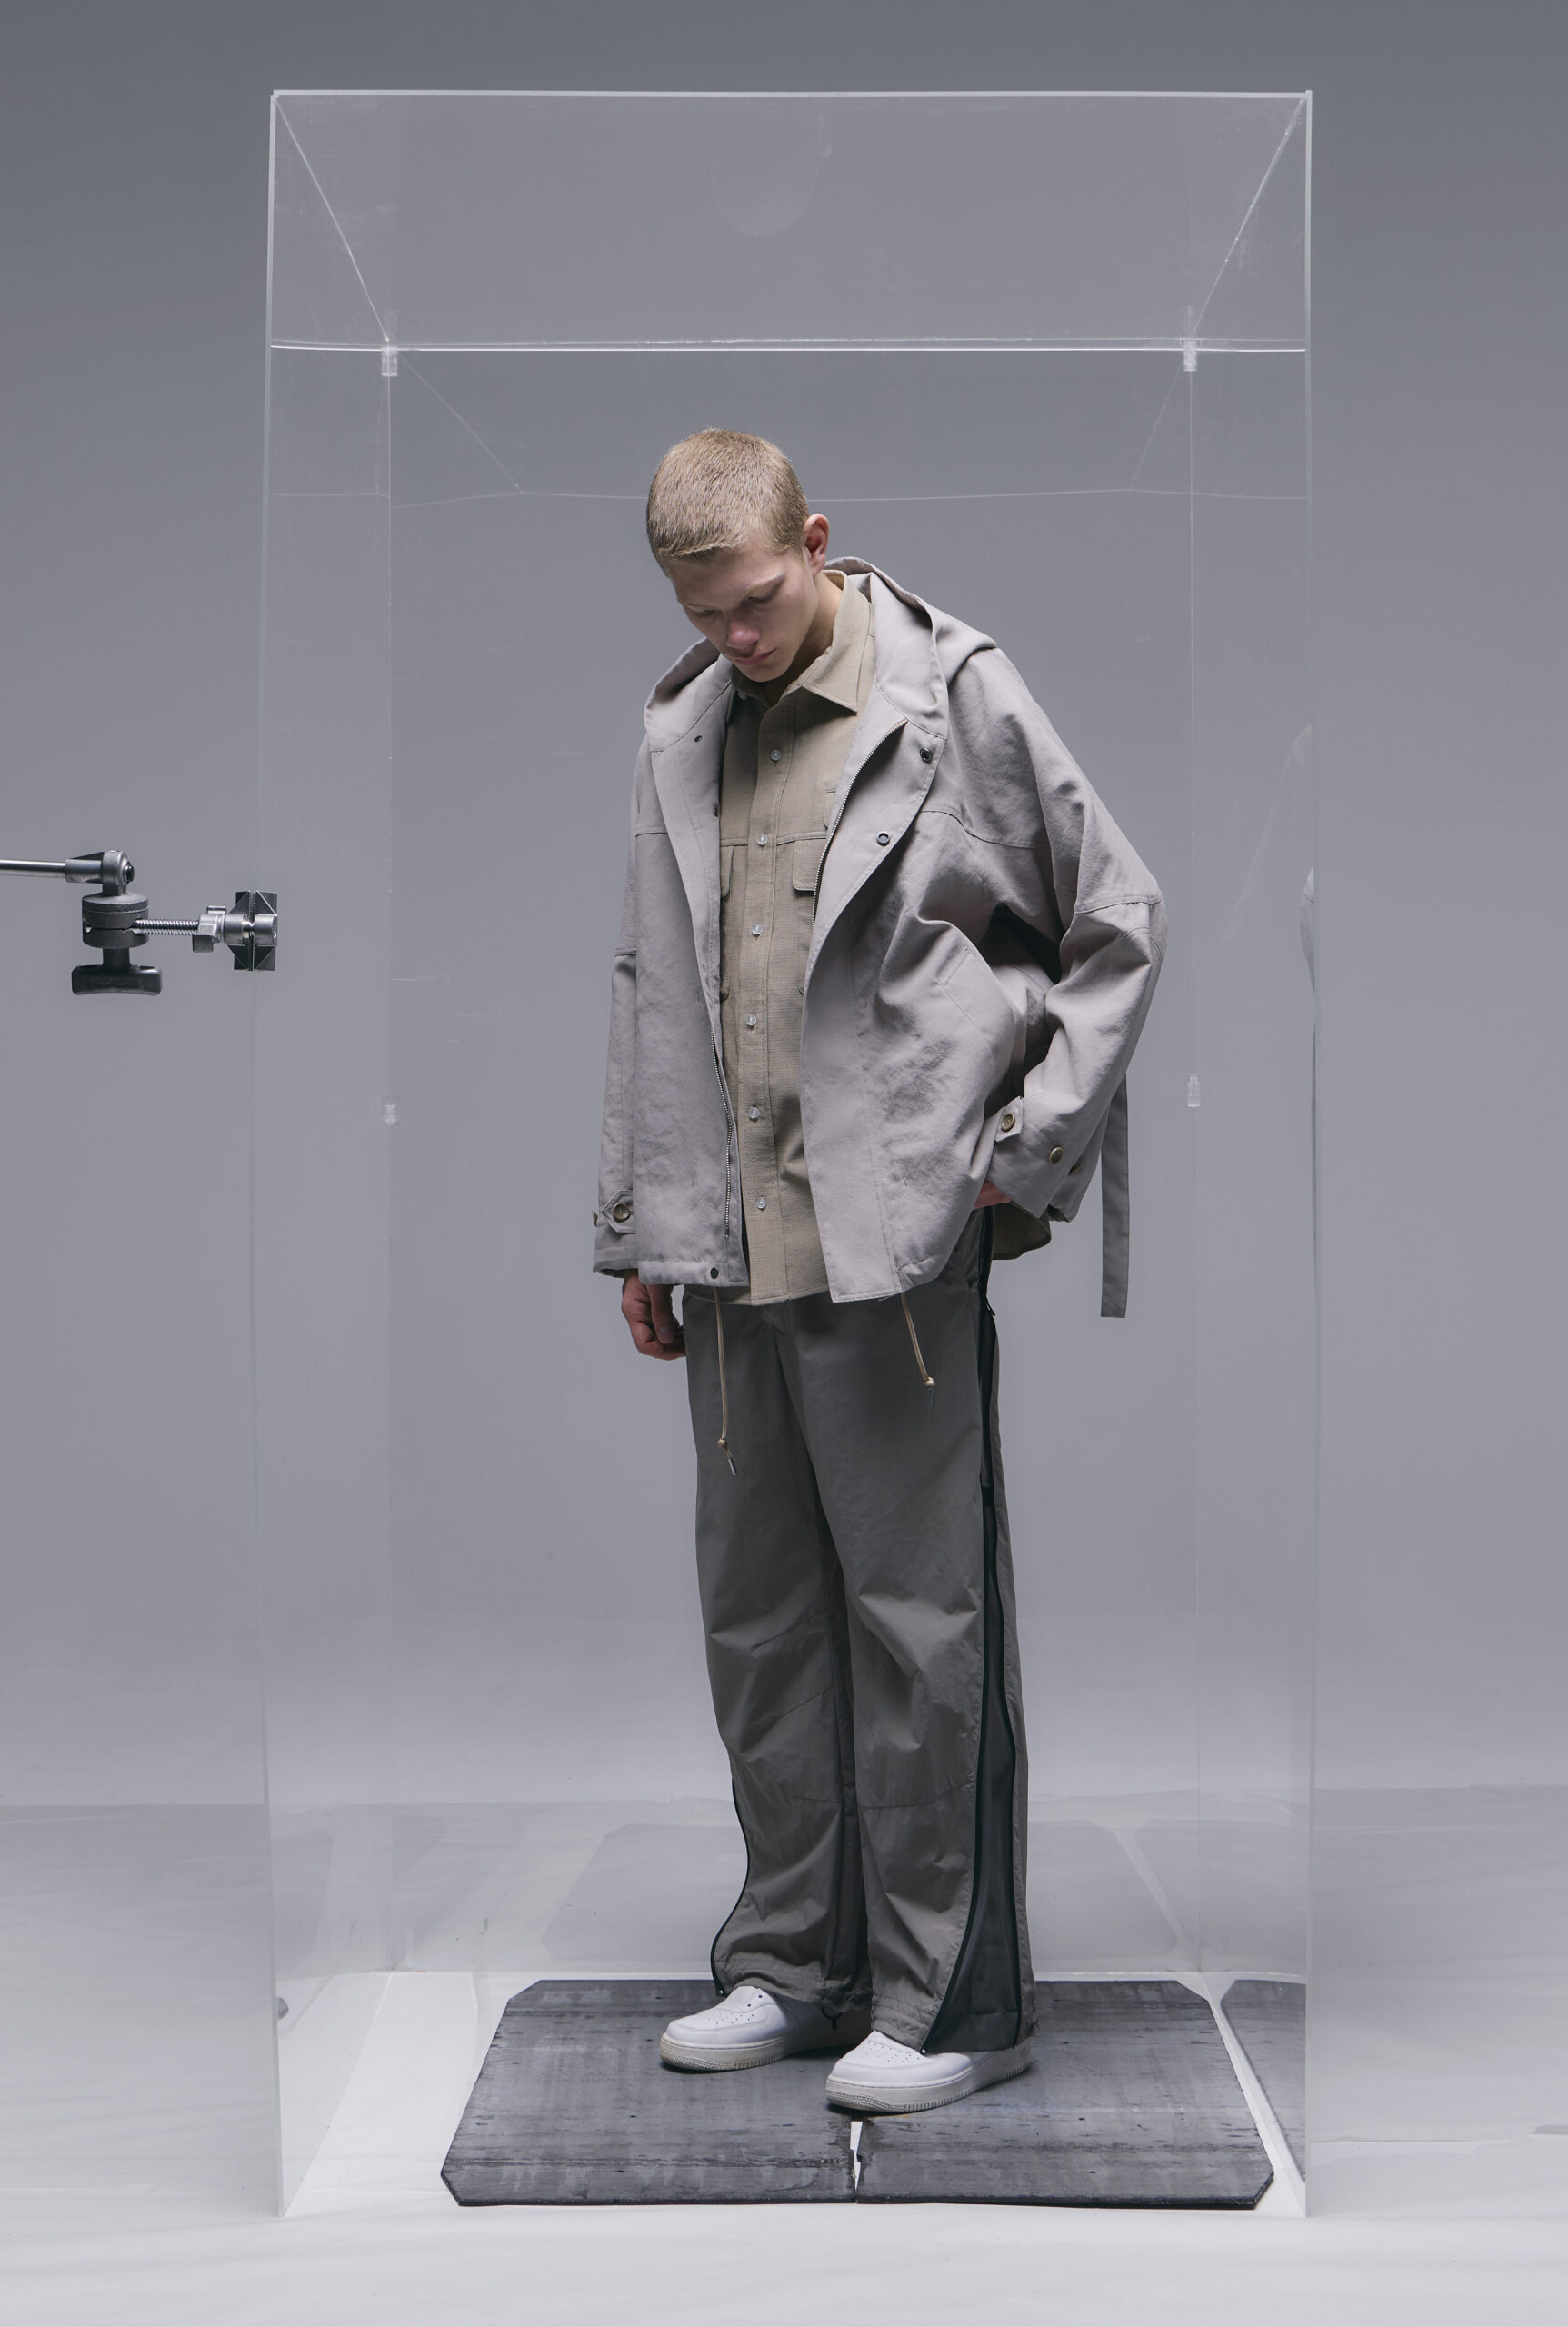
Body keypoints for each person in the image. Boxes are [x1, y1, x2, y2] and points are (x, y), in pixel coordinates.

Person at [593, 430, 1164, 2115]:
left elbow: (1117, 921)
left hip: (895, 1247)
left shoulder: (952, 694)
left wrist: (1020, 1154)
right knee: (762, 1627)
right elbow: (651, 981)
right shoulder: (683, 722)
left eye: (757, 601)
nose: (737, 636)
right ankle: (795, 1966)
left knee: (922, 1630)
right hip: (730, 1258)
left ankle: (952, 2001)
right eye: (704, 612)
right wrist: (643, 1221)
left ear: (817, 540)